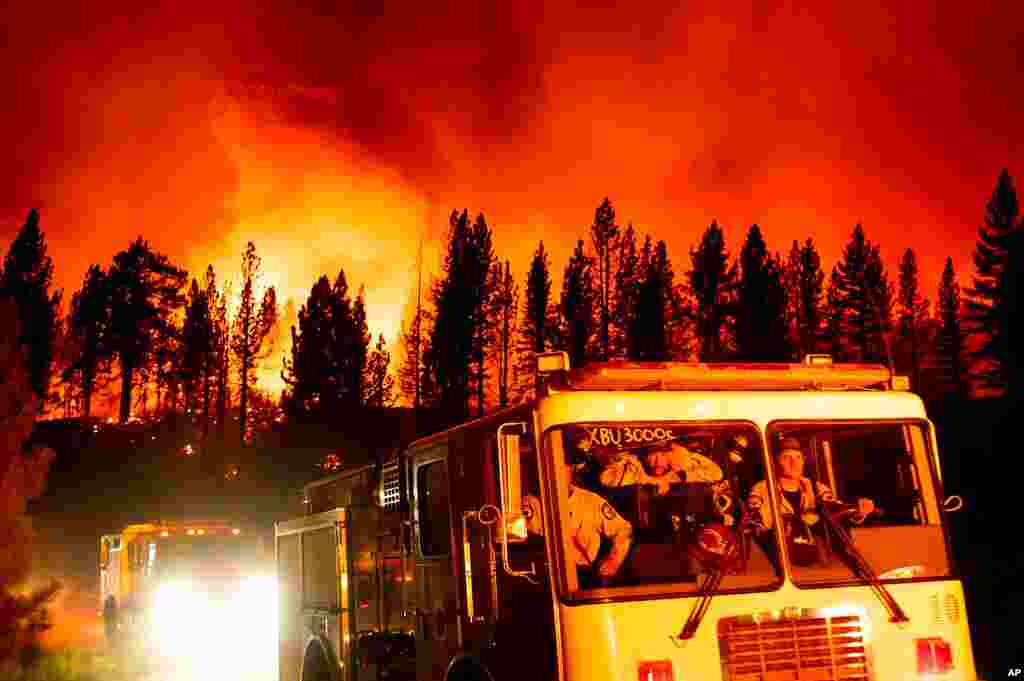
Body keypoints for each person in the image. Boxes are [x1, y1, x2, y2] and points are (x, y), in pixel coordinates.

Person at [748, 437, 875, 563]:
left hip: (815, 567)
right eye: (786, 458)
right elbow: (755, 522)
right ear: (774, 462)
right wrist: (792, 520)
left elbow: (834, 507)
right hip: (779, 564)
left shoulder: (815, 487)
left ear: (803, 461)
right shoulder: (762, 489)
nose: (794, 463)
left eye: (798, 457)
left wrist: (858, 510)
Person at [523, 460, 633, 587]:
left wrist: (614, 560)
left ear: (573, 470)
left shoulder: (590, 501)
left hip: (583, 577)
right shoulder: (528, 503)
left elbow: (623, 529)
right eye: (550, 465)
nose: (555, 471)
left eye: (562, 466)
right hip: (541, 577)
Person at [599, 439, 724, 494]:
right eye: (653, 458)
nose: (658, 463)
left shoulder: (636, 472)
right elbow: (606, 479)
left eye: (663, 456)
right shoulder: (636, 470)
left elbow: (716, 473)